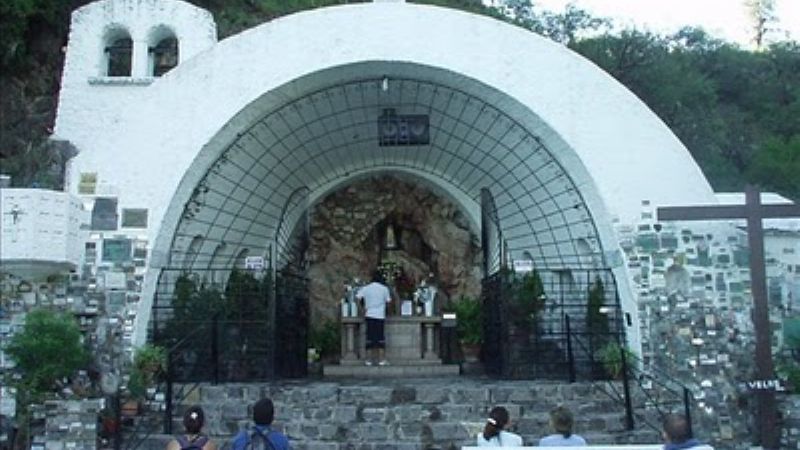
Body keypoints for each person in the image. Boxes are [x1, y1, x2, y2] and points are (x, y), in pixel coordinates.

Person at [356, 270, 392, 366]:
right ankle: (381, 360)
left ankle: (368, 360)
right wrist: (386, 310)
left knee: (370, 338)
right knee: (380, 338)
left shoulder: (366, 288)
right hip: (380, 315)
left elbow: (357, 298)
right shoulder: (384, 289)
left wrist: (361, 309)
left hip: (369, 314)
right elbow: (388, 302)